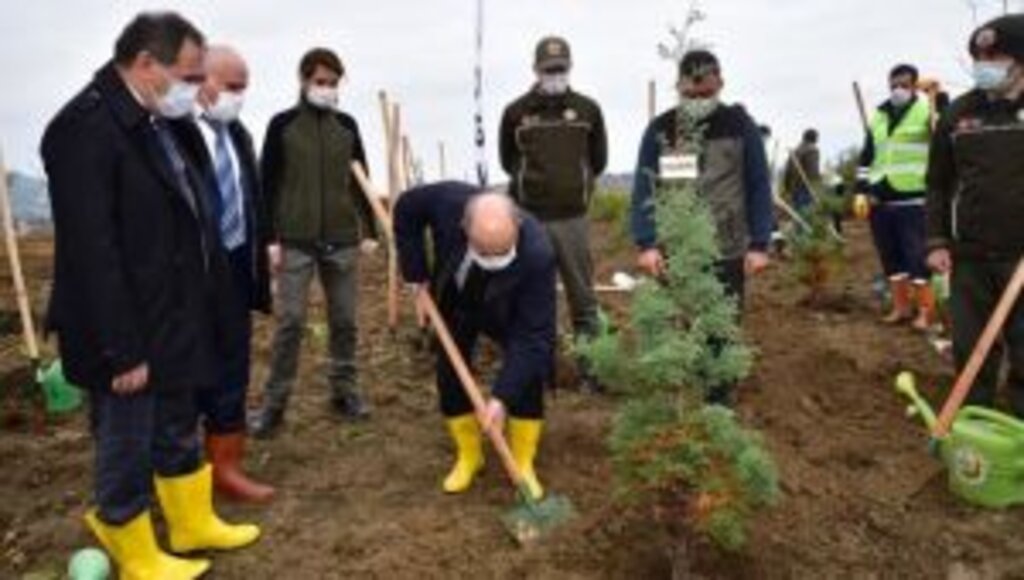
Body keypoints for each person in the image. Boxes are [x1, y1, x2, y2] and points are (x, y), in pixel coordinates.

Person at [40, 12, 259, 578]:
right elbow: (92, 252)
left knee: (176, 422)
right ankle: (129, 540)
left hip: (174, 313)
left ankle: (190, 522)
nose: (197, 88)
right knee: (127, 436)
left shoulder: (165, 122)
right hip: (122, 327)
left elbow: (193, 220)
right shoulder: (84, 129)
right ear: (144, 63)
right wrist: (121, 349)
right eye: (189, 76)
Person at [393, 183, 556, 500]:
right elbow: (406, 208)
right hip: (459, 293)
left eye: (502, 251)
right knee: (450, 365)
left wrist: (501, 399)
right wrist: (416, 275)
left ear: (517, 226)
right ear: (465, 228)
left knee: (528, 370)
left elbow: (532, 338)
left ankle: (523, 462)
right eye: (484, 251)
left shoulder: (538, 254)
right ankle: (469, 454)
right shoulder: (446, 203)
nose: (493, 258)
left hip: (509, 300)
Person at [630, 49, 773, 404]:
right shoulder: (661, 129)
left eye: (705, 93)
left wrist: (759, 244)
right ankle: (677, 400)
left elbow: (758, 184)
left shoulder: (740, 126)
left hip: (727, 246)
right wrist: (647, 243)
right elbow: (644, 187)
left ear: (720, 83)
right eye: (690, 93)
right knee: (673, 324)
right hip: (674, 250)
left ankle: (718, 401)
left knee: (721, 326)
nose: (697, 99)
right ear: (678, 86)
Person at [250, 47, 378, 438]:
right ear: (304, 80)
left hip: (341, 238)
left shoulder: (347, 127)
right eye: (321, 81)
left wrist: (370, 230)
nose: (328, 89)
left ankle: (345, 392)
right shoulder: (282, 125)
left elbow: (361, 181)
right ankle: (274, 405)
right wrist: (268, 238)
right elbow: (267, 184)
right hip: (295, 239)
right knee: (290, 322)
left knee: (345, 321)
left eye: (334, 83)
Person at [168, 45, 275, 502]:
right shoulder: (169, 131)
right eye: (232, 86)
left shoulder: (238, 134)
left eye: (244, 88)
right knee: (186, 370)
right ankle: (179, 470)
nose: (239, 97)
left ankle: (225, 467)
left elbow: (251, 194)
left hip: (234, 266)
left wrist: (264, 245)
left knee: (232, 365)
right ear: (201, 79)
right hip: (187, 274)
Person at [926, 13, 1024, 415]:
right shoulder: (958, 114)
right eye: (980, 59)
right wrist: (936, 241)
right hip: (970, 255)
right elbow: (937, 183)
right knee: (971, 347)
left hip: (1021, 256)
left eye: (995, 58)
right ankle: (975, 422)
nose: (985, 66)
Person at [498, 35, 607, 391]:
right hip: (530, 221)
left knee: (583, 299)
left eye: (560, 69)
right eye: (549, 69)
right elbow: (508, 161)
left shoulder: (587, 110)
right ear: (536, 69)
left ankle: (591, 371)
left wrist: (575, 186)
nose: (555, 75)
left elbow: (598, 160)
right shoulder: (516, 113)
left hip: (573, 219)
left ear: (570, 67)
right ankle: (540, 372)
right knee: (534, 299)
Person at [857, 64, 934, 330]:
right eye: (893, 85)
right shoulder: (879, 115)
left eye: (904, 85)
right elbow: (866, 157)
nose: (897, 90)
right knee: (890, 257)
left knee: (917, 257)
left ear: (915, 86)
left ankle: (925, 312)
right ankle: (901, 308)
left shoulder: (925, 110)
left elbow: (941, 135)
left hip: (913, 199)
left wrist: (937, 99)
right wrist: (861, 190)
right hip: (880, 200)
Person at [782, 128, 821, 212]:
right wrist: (817, 186)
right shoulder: (812, 150)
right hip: (805, 188)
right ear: (815, 139)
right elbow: (813, 172)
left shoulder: (795, 150)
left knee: (795, 213)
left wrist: (787, 188)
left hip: (793, 188)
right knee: (805, 214)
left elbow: (787, 171)